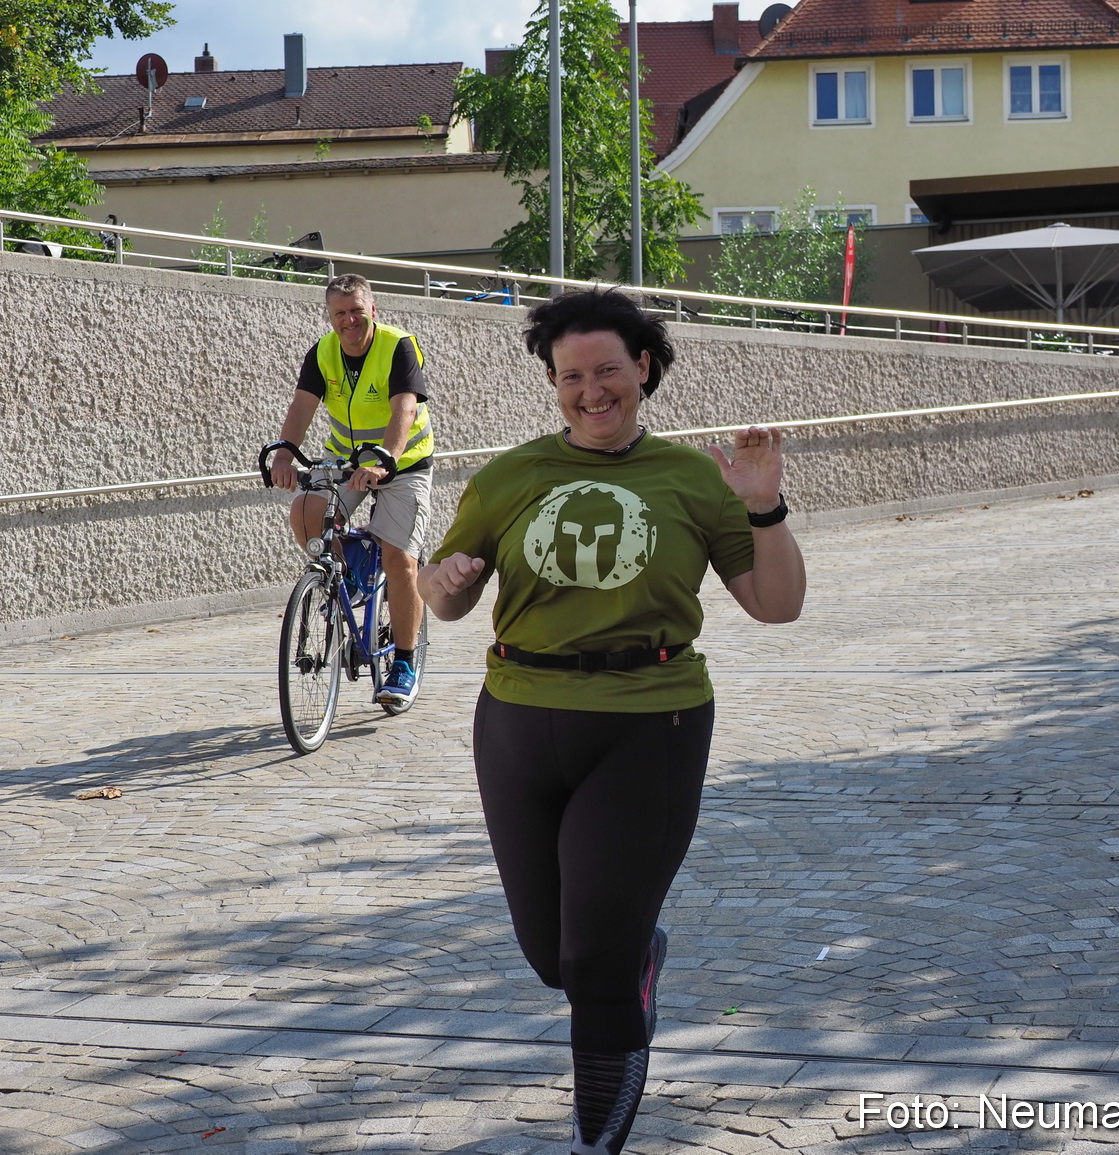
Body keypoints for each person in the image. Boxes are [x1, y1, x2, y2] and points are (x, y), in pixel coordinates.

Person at [417, 289, 806, 1154]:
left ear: (645, 367)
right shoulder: (511, 476)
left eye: (607, 370)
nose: (591, 390)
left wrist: (764, 506)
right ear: (554, 384)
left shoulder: (694, 478)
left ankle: (595, 1139)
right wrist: (438, 585)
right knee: (553, 956)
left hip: (649, 722)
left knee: (593, 963)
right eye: (571, 376)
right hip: (517, 721)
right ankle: (639, 959)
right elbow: (446, 591)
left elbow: (776, 604)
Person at [271, 274, 433, 704]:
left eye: (357, 310)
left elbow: (404, 408)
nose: (349, 320)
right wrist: (284, 456)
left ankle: (403, 662)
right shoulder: (323, 353)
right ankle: (350, 570)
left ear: (372, 310)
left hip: (404, 463)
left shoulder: (398, 346)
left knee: (399, 558)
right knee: (305, 510)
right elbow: (302, 406)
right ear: (330, 317)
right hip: (345, 460)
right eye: (339, 313)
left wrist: (386, 460)